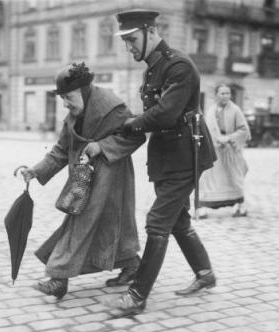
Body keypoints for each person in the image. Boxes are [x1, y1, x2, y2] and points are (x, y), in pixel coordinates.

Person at [102, 9, 217, 314]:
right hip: (168, 156)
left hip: (186, 156)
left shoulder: (179, 66)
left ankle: (137, 296)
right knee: (177, 219)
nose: (128, 47)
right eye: (125, 41)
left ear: (151, 32)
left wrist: (130, 124)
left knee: (158, 221)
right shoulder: (152, 69)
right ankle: (205, 274)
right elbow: (154, 116)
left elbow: (164, 114)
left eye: (132, 39)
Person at [20, 62, 146, 299]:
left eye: (68, 97)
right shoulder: (73, 117)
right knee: (110, 225)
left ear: (83, 90)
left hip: (112, 176)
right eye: (62, 99)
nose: (65, 104)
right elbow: (60, 150)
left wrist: (102, 146)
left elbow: (136, 137)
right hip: (85, 177)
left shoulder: (113, 107)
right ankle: (131, 265)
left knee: (80, 223)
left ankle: (59, 278)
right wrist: (36, 171)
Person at [198, 83, 251, 218]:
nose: (225, 96)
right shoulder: (211, 110)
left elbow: (244, 130)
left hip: (231, 150)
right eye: (222, 93)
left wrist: (228, 138)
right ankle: (203, 208)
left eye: (227, 93)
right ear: (216, 95)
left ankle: (239, 207)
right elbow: (207, 129)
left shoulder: (235, 110)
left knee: (235, 177)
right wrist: (215, 140)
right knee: (209, 179)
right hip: (215, 151)